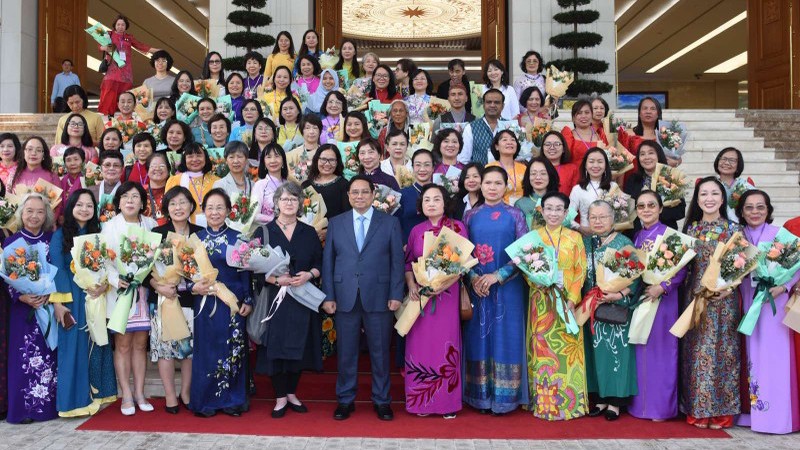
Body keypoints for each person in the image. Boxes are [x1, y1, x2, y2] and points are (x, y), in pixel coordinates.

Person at [321, 175, 405, 421]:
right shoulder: (336, 223)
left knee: (380, 353)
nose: (359, 196)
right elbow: (329, 261)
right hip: (344, 295)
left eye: (364, 192)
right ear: (348, 196)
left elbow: (397, 262)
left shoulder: (389, 223)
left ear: (373, 194)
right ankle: (345, 400)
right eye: (354, 192)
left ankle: (382, 401)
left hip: (379, 296)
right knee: (346, 352)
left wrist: (395, 294)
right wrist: (328, 295)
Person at [462, 166, 528, 414]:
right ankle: (479, 396)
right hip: (477, 288)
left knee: (506, 337)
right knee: (478, 337)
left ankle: (505, 398)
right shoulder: (470, 216)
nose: (492, 187)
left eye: (497, 183)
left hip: (508, 287)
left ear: (506, 185)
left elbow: (524, 253)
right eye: (487, 182)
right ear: (480, 185)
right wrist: (473, 277)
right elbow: (463, 252)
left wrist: (496, 276)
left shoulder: (516, 215)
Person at [254, 182, 323, 418]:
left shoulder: (309, 231)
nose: (289, 203)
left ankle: (292, 392)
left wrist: (309, 275)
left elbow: (320, 263)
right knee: (275, 348)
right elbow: (251, 268)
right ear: (276, 203)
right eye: (285, 199)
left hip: (302, 299)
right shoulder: (263, 231)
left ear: (300, 203)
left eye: (294, 199)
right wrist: (275, 280)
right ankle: (280, 396)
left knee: (298, 348)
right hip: (275, 300)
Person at [735, 190, 800, 434]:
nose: (755, 212)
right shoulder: (736, 238)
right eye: (749, 207)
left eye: (760, 207)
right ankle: (752, 413)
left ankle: (778, 416)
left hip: (774, 304)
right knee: (750, 355)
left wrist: (783, 286)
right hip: (747, 302)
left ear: (768, 210)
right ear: (741, 211)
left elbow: (796, 266)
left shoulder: (780, 235)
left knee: (775, 357)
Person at [680, 176, 741, 429]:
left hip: (724, 299)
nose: (709, 198)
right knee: (696, 352)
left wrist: (730, 288)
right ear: (697, 199)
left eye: (714, 193)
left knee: (724, 352)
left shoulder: (733, 230)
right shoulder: (690, 230)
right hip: (696, 296)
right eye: (703, 194)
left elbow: (741, 264)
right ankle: (698, 408)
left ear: (722, 198)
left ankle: (722, 411)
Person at [50, 189, 117, 417]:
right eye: (80, 204)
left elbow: (108, 265)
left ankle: (96, 397)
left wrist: (103, 285)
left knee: (98, 345)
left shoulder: (98, 234)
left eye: (90, 205)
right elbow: (57, 270)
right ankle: (73, 403)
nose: (85, 209)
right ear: (71, 207)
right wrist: (59, 303)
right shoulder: (60, 235)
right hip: (72, 299)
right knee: (73, 349)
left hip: (95, 296)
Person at [403, 184, 467, 418]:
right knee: (420, 347)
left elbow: (460, 264)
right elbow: (408, 262)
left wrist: (439, 285)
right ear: (421, 205)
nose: (431, 203)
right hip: (420, 296)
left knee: (445, 345)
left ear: (445, 203)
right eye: (427, 199)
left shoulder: (457, 227)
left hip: (447, 296)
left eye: (436, 199)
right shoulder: (415, 230)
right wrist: (412, 285)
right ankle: (421, 402)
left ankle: (446, 403)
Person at [525, 191, 588, 420]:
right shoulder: (534, 236)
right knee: (543, 351)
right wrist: (537, 282)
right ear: (542, 211)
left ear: (565, 212)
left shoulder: (574, 238)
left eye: (558, 209)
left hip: (567, 301)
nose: (553, 213)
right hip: (541, 301)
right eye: (548, 208)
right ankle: (544, 404)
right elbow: (526, 269)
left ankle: (570, 404)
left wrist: (572, 298)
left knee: (567, 350)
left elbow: (580, 271)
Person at [190, 188, 253, 417]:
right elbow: (187, 274)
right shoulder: (195, 240)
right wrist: (192, 287)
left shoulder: (239, 237)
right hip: (206, 303)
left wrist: (248, 299)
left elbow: (246, 271)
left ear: (228, 210)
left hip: (233, 303)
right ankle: (206, 401)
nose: (215, 212)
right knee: (206, 351)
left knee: (233, 350)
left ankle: (232, 400)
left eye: (220, 207)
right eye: (210, 208)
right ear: (203, 211)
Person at [102, 182, 158, 416]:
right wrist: (117, 280)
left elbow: (158, 258)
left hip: (144, 293)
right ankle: (125, 394)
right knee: (123, 345)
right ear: (118, 202)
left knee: (140, 344)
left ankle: (140, 392)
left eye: (135, 196)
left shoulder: (151, 225)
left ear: (142, 202)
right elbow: (104, 260)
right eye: (125, 197)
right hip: (121, 292)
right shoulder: (109, 227)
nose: (130, 201)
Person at [630, 189, 686, 421]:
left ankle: (661, 408)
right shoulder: (636, 236)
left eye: (651, 205)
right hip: (642, 298)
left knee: (663, 353)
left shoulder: (670, 235)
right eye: (641, 206)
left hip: (663, 301)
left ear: (661, 209)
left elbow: (681, 269)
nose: (646, 210)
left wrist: (662, 287)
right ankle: (639, 406)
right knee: (641, 350)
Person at [582, 200, 639, 421]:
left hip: (615, 307)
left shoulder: (624, 242)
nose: (597, 221)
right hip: (591, 308)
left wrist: (620, 294)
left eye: (603, 217)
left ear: (613, 219)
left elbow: (635, 277)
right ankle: (600, 398)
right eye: (593, 217)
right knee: (594, 354)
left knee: (616, 354)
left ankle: (615, 402)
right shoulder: (586, 243)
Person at [4, 194, 58, 424]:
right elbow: (6, 279)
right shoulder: (11, 242)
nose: (34, 216)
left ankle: (46, 409)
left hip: (48, 307)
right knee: (23, 357)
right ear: (21, 214)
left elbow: (61, 271)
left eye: (39, 211)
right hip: (22, 310)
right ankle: (21, 410)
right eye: (29, 211)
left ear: (46, 214)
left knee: (48, 355)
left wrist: (50, 294)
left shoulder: (53, 239)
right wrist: (22, 295)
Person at [149, 186, 202, 414]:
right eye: (173, 203)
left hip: (192, 299)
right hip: (163, 298)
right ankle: (170, 395)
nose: (178, 207)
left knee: (188, 350)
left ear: (191, 206)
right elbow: (143, 271)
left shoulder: (200, 233)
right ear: (166, 209)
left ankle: (186, 392)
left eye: (183, 202)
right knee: (165, 350)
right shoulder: (156, 233)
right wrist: (158, 285)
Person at [97, 15, 159, 116]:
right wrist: (105, 48)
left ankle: (123, 117)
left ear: (126, 26)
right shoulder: (108, 34)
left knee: (125, 97)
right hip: (112, 71)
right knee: (109, 95)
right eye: (118, 24)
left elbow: (141, 46)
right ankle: (107, 117)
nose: (120, 26)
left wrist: (157, 51)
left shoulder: (129, 38)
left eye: (123, 25)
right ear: (115, 25)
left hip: (126, 72)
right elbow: (100, 45)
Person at [623, 140, 686, 232]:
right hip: (638, 235)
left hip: (664, 234)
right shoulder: (633, 180)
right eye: (642, 154)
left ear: (658, 156)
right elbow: (627, 210)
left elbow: (680, 212)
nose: (646, 157)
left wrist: (653, 214)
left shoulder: (670, 177)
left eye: (651, 153)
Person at [301, 144, 351, 241]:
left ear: (337, 162)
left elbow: (347, 216)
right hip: (309, 238)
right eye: (323, 159)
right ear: (316, 160)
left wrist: (329, 232)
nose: (327, 164)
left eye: (332, 160)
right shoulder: (306, 185)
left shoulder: (344, 184)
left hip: (335, 238)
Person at [165, 143, 220, 225]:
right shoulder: (175, 181)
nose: (195, 159)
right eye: (190, 156)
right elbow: (168, 207)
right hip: (184, 230)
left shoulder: (217, 181)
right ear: (184, 159)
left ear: (205, 158)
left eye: (199, 155)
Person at [570, 148, 617, 235]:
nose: (595, 165)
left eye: (600, 162)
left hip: (610, 236)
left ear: (606, 165)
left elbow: (620, 215)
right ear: (585, 165)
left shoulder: (613, 186)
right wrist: (580, 228)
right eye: (591, 162)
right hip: (587, 236)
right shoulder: (578, 189)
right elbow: (568, 218)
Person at [457, 89, 506, 165]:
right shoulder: (471, 127)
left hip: (507, 175)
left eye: (497, 102)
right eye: (489, 102)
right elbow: (463, 159)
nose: (492, 105)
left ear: (503, 106)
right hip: (480, 175)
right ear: (483, 105)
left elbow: (518, 156)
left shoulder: (510, 126)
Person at [396, 149, 434, 243]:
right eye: (418, 165)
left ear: (433, 168)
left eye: (427, 165)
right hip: (409, 248)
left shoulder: (441, 193)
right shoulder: (402, 194)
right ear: (412, 167)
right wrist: (404, 244)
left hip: (438, 248)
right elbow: (395, 225)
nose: (422, 169)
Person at [514, 156, 560, 229]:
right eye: (533, 173)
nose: (538, 177)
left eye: (543, 173)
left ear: (550, 176)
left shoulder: (560, 202)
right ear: (528, 177)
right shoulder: (520, 204)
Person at [562, 100, 609, 168]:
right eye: (579, 113)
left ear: (592, 115)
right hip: (575, 176)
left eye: (587, 112)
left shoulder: (600, 135)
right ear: (573, 118)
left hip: (596, 176)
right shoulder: (568, 135)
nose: (583, 116)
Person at [714, 147, 755, 222]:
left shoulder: (744, 186)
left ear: (738, 165)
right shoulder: (710, 184)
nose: (726, 163)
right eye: (723, 159)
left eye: (732, 160)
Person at [487, 130, 526, 204]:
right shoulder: (489, 169)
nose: (509, 142)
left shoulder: (524, 168)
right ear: (496, 147)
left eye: (513, 140)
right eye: (504, 140)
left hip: (522, 211)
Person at [252, 143, 288, 225]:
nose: (273, 160)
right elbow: (254, 215)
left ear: (283, 161)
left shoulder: (289, 185)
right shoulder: (260, 185)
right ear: (264, 162)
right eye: (268, 157)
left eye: (277, 156)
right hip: (269, 232)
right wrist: (278, 221)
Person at [286, 115, 322, 184]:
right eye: (307, 128)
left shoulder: (325, 153)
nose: (311, 132)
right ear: (302, 131)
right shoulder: (291, 154)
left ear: (320, 131)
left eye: (315, 128)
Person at [87, 150, 124, 219]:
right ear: (101, 168)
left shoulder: (127, 192)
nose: (111, 168)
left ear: (122, 170)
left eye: (116, 165)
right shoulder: (89, 191)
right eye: (107, 165)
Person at [143, 152, 170, 226]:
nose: (157, 169)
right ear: (147, 171)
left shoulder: (174, 191)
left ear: (168, 171)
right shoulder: (140, 192)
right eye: (153, 166)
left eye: (162, 166)